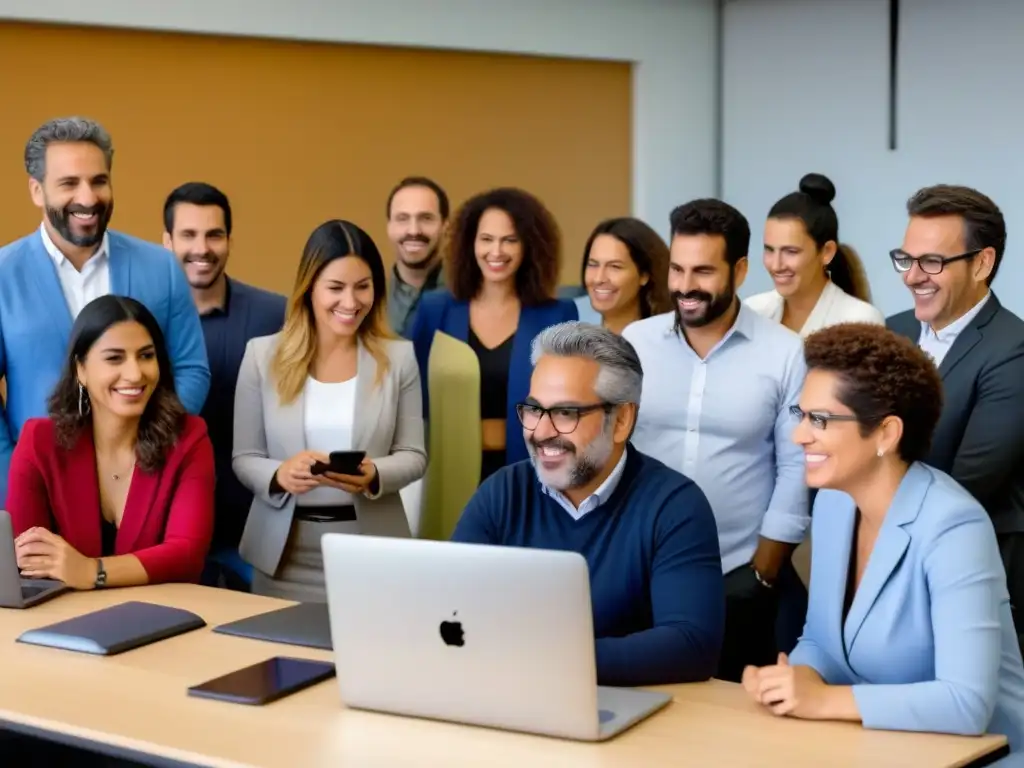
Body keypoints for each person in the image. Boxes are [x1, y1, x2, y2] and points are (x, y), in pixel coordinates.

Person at [742, 323, 1024, 761]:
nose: (799, 435)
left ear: (887, 434)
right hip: (880, 747)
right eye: (801, 415)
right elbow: (821, 638)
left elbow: (967, 704)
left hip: (980, 757)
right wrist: (790, 680)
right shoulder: (835, 503)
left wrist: (823, 701)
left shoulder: (954, 526)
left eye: (820, 420)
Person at [452, 321, 724, 686]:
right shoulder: (502, 492)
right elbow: (449, 607)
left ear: (622, 420)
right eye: (534, 410)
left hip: (633, 718)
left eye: (566, 413)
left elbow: (692, 645)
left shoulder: (676, 507)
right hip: (507, 697)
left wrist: (547, 662)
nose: (542, 432)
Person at [622, 198, 808, 683]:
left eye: (703, 271)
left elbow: (796, 466)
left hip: (738, 578)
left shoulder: (786, 353)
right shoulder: (634, 343)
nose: (685, 286)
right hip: (638, 573)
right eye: (677, 269)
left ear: (740, 270)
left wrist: (764, 572)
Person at [0, 116, 210, 503]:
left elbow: (191, 368)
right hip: (39, 491)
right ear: (36, 190)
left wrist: (152, 448)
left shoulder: (161, 268)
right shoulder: (2, 275)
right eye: (69, 183)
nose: (88, 198)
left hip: (145, 485)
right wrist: (15, 476)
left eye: (99, 180)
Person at [233, 220, 427, 602]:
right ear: (309, 289)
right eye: (336, 288)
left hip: (371, 554)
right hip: (282, 558)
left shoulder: (398, 358)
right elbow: (245, 457)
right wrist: (280, 473)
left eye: (363, 287)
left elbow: (413, 456)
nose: (351, 302)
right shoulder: (262, 355)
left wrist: (374, 473)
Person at [886, 184, 1024, 649]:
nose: (912, 277)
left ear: (982, 263)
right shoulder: (896, 330)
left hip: (976, 575)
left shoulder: (1013, 350)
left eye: (933, 262)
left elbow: (970, 481)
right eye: (906, 259)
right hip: (888, 564)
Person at [6, 295, 215, 588]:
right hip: (62, 618)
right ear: (81, 369)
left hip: (162, 616)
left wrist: (93, 571)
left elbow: (187, 554)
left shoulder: (189, 437)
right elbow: (26, 557)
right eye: (114, 358)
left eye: (146, 355)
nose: (135, 373)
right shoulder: (39, 442)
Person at [163, 181, 286, 590]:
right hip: (168, 530)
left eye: (214, 234)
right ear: (166, 241)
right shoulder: (138, 322)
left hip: (256, 530)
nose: (202, 248)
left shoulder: (276, 316)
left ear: (230, 240)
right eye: (189, 235)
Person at [410, 187, 577, 484]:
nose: (496, 251)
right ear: (469, 244)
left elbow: (569, 407)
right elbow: (413, 402)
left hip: (532, 474)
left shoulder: (557, 314)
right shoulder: (435, 309)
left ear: (529, 246)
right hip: (447, 476)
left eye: (509, 240)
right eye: (486, 239)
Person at [745, 173, 883, 334]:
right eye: (769, 250)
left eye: (791, 251)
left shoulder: (860, 321)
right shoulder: (753, 312)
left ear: (827, 252)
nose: (776, 265)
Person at [573, 217, 673, 333]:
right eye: (593, 265)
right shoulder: (567, 326)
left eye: (615, 267)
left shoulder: (666, 339)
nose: (599, 278)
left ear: (644, 275)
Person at [385, 176, 449, 338]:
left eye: (426, 218)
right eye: (402, 219)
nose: (413, 230)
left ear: (444, 227)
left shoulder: (472, 298)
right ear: (390, 227)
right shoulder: (366, 301)